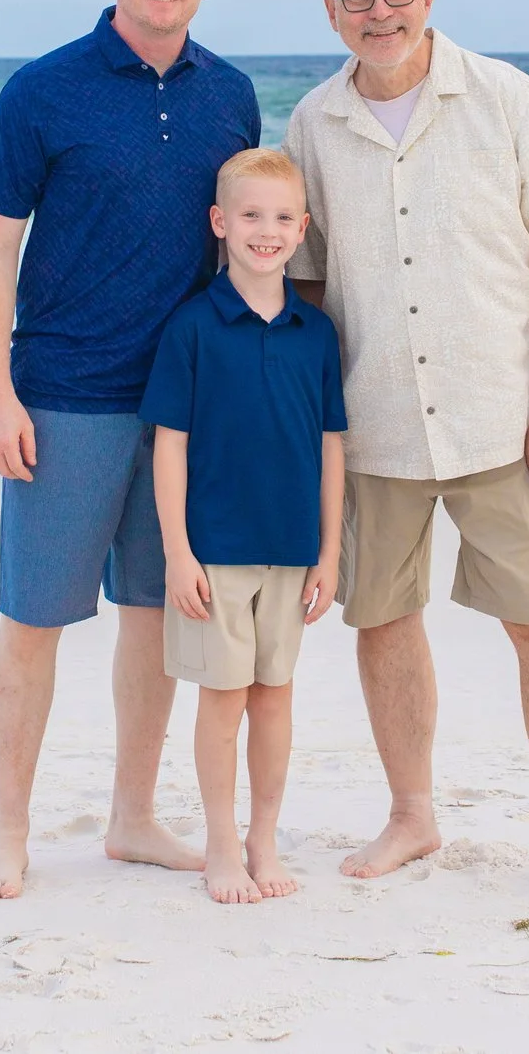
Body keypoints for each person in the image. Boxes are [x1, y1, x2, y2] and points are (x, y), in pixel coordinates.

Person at [283, 0, 529, 918]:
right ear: (331, 12)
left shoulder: (503, 96)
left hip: (500, 421)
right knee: (383, 619)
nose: (379, 10)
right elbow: (306, 292)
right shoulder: (311, 123)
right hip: (376, 429)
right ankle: (412, 812)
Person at [0, 0, 261, 900]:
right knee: (34, 617)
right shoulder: (42, 89)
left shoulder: (232, 93)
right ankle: (10, 829)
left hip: (182, 405)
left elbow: (247, 241)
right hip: (64, 397)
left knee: (152, 615)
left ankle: (133, 815)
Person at [142, 147, 347, 904]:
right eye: (251, 215)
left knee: (275, 694)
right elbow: (171, 443)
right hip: (215, 553)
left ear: (303, 229)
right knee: (222, 699)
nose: (267, 230)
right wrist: (177, 553)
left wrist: (329, 551)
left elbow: (332, 448)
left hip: (292, 552)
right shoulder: (193, 326)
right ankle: (221, 844)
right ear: (221, 223)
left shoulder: (315, 331)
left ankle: (266, 836)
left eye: (282, 217)